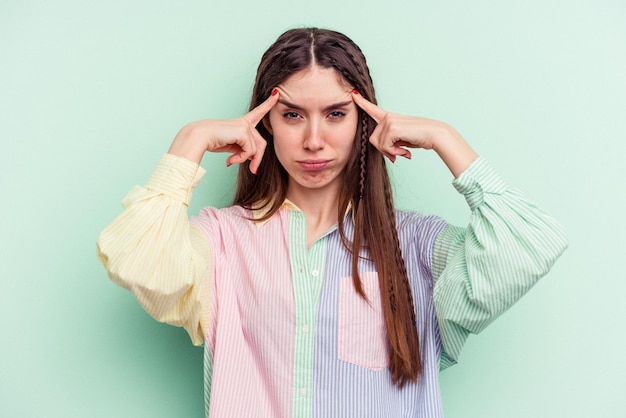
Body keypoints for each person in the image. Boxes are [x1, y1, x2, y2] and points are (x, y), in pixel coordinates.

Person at [97, 27, 568, 417]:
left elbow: (530, 245)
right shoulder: (223, 240)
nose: (314, 140)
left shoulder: (417, 246)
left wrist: (445, 139)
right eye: (293, 115)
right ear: (267, 124)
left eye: (336, 114)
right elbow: (138, 260)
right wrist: (191, 139)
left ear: (362, 122)